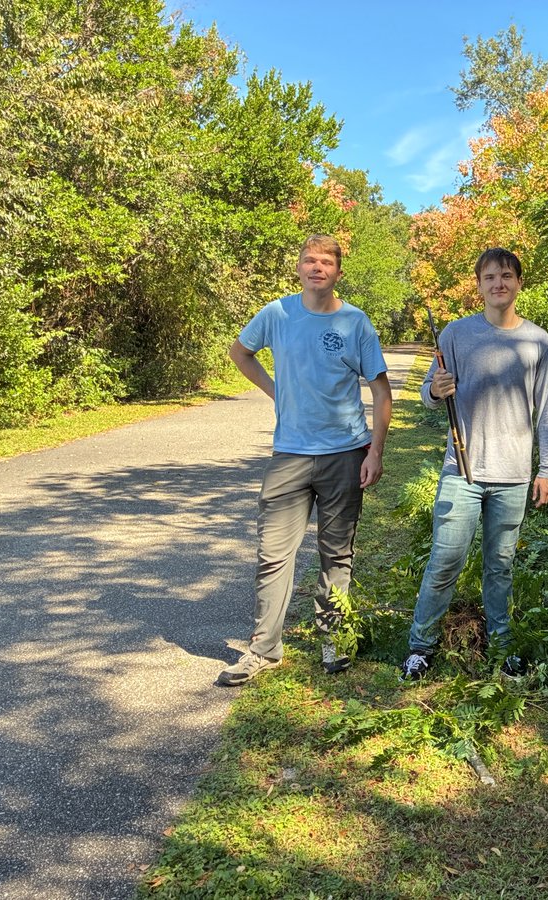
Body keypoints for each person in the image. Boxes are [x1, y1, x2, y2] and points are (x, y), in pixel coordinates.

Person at [217, 234, 392, 687]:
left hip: (345, 453)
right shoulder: (277, 314)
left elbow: (381, 391)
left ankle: (334, 641)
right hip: (290, 455)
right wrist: (276, 392)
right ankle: (263, 649)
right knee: (273, 553)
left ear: (338, 272)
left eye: (326, 262)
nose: (317, 268)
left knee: (337, 553)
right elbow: (240, 353)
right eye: (310, 260)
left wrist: (375, 451)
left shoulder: (355, 322)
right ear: (298, 268)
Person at [401, 248, 548, 680]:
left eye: (506, 276)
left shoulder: (538, 341)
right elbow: (428, 396)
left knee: (500, 566)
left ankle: (501, 646)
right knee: (445, 561)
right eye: (489, 277)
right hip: (462, 471)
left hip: (514, 476)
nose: (498, 284)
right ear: (479, 285)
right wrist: (436, 391)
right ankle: (420, 647)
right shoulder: (455, 334)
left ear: (519, 283)